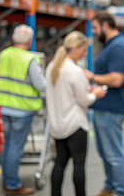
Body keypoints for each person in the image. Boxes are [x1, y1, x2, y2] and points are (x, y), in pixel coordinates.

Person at [45, 31, 106, 196]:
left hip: (57, 125)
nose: (85, 54)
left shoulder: (52, 67)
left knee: (59, 163)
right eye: (83, 50)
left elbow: (63, 92)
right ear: (75, 48)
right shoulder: (75, 71)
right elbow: (84, 100)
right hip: (75, 125)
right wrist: (96, 93)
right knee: (79, 165)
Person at [84, 12, 124, 196]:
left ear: (105, 26)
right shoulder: (111, 46)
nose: (94, 32)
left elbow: (116, 79)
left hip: (111, 109)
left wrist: (91, 77)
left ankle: (120, 191)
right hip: (103, 108)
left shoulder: (118, 47)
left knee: (113, 154)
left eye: (96, 27)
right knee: (105, 152)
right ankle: (109, 186)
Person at [0, 25, 46, 195]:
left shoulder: (4, 54)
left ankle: (7, 180)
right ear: (30, 41)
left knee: (8, 146)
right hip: (22, 110)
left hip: (5, 107)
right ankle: (13, 184)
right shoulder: (29, 59)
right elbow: (41, 85)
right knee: (16, 148)